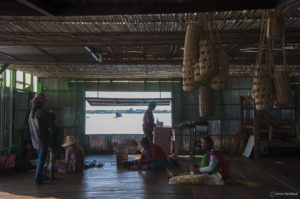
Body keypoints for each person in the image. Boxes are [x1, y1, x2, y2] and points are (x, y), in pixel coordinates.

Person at [28, 92, 51, 185]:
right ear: (41, 102)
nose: (45, 102)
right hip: (43, 139)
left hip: (35, 140)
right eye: (44, 101)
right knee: (41, 161)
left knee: (40, 160)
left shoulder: (31, 112)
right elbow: (49, 123)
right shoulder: (41, 112)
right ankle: (38, 180)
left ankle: (39, 178)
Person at [43, 110, 61, 181]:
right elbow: (55, 137)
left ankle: (44, 175)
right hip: (52, 145)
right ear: (54, 118)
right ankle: (52, 176)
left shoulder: (44, 125)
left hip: (45, 145)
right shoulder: (53, 126)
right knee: (52, 161)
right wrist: (57, 145)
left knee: (45, 161)